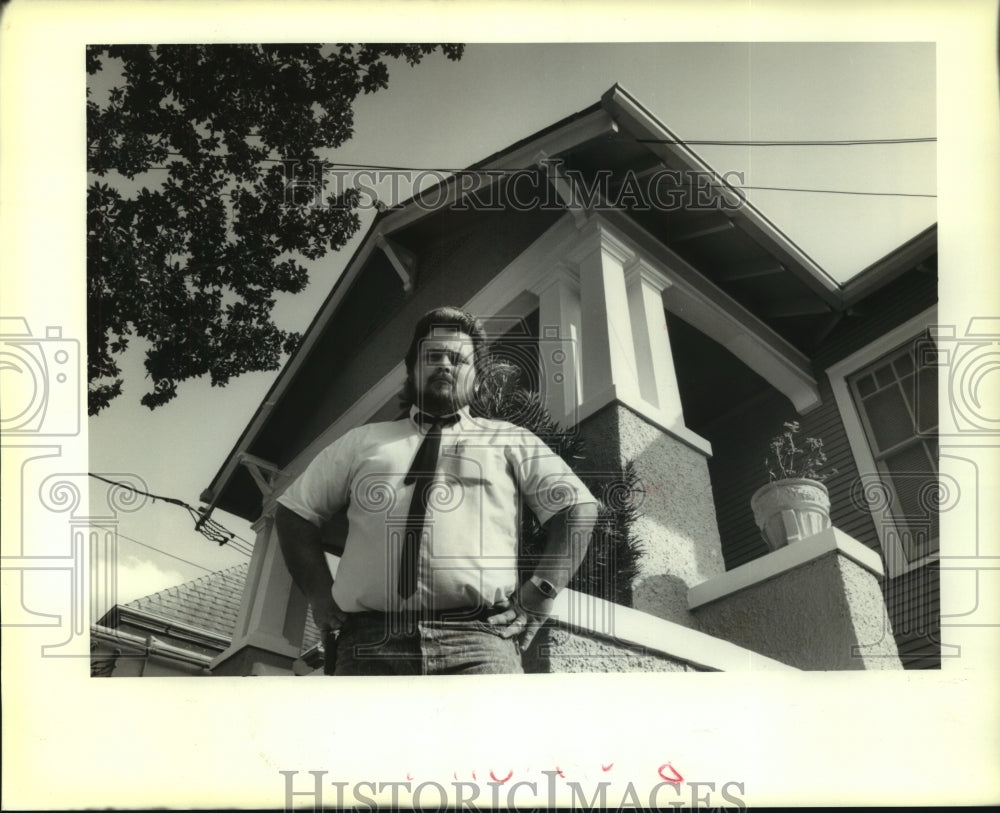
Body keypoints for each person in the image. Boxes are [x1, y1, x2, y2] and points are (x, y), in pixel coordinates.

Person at [275, 306, 598, 675]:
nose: (445, 364)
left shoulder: (509, 440)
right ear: (412, 371)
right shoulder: (361, 442)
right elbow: (294, 512)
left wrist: (540, 592)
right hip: (369, 644)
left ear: (475, 378)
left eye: (458, 358)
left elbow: (577, 507)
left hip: (479, 643)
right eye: (433, 356)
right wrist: (319, 595)